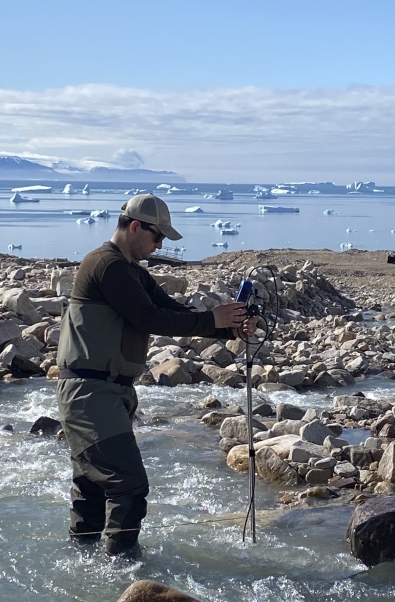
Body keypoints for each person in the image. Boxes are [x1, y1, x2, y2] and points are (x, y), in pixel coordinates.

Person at [56, 193, 253, 555]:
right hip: (90, 393)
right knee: (128, 485)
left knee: (93, 485)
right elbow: (148, 319)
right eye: (157, 236)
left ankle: (84, 566)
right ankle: (122, 572)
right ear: (135, 227)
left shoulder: (131, 271)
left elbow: (171, 310)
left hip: (104, 392)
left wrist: (229, 329)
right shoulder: (107, 265)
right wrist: (213, 319)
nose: (160, 244)